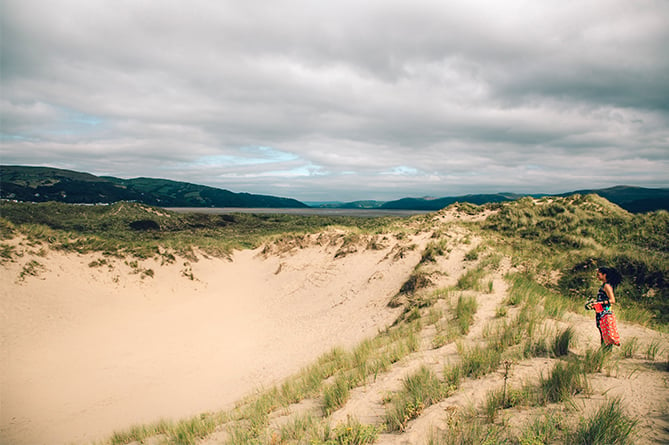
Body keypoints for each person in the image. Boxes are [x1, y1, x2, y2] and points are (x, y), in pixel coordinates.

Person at [586, 266, 621, 348]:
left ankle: (605, 355)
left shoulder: (607, 286)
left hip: (605, 313)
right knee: (603, 334)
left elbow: (612, 300)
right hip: (601, 312)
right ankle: (604, 354)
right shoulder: (604, 285)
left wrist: (599, 303)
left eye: (598, 275)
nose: (597, 277)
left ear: (604, 275)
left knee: (606, 336)